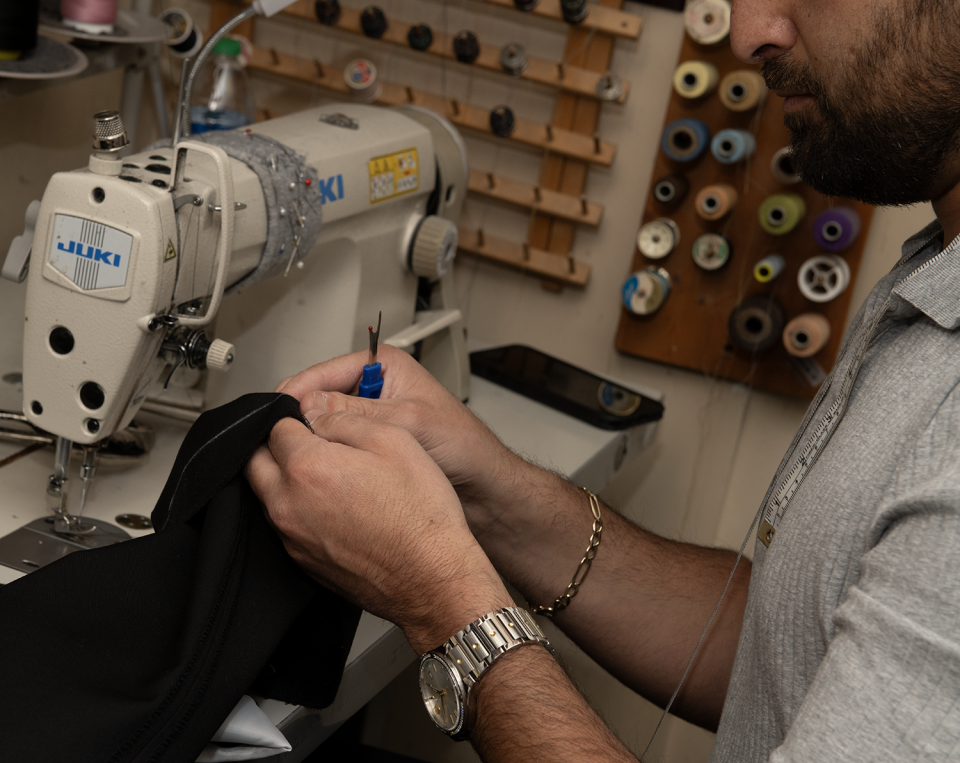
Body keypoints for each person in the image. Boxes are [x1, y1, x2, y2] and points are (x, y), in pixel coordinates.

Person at [247, 0, 960, 759]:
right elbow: (789, 650)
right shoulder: (933, 268)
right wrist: (491, 493)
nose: (750, 32)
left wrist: (444, 597)